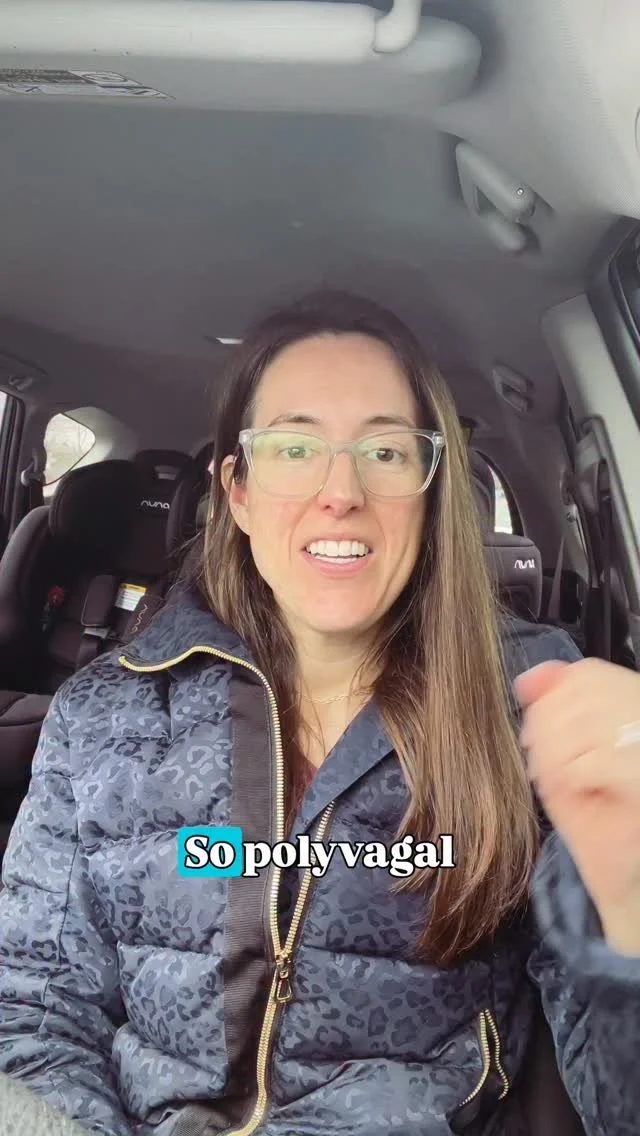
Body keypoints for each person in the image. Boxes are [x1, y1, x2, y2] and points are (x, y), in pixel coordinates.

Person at [0, 290, 638, 1136]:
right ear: (237, 492)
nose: (341, 492)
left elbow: (619, 1099)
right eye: (294, 448)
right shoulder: (100, 712)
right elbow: (34, 1009)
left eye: (385, 450)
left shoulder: (534, 710)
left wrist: (627, 906)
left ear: (430, 489)